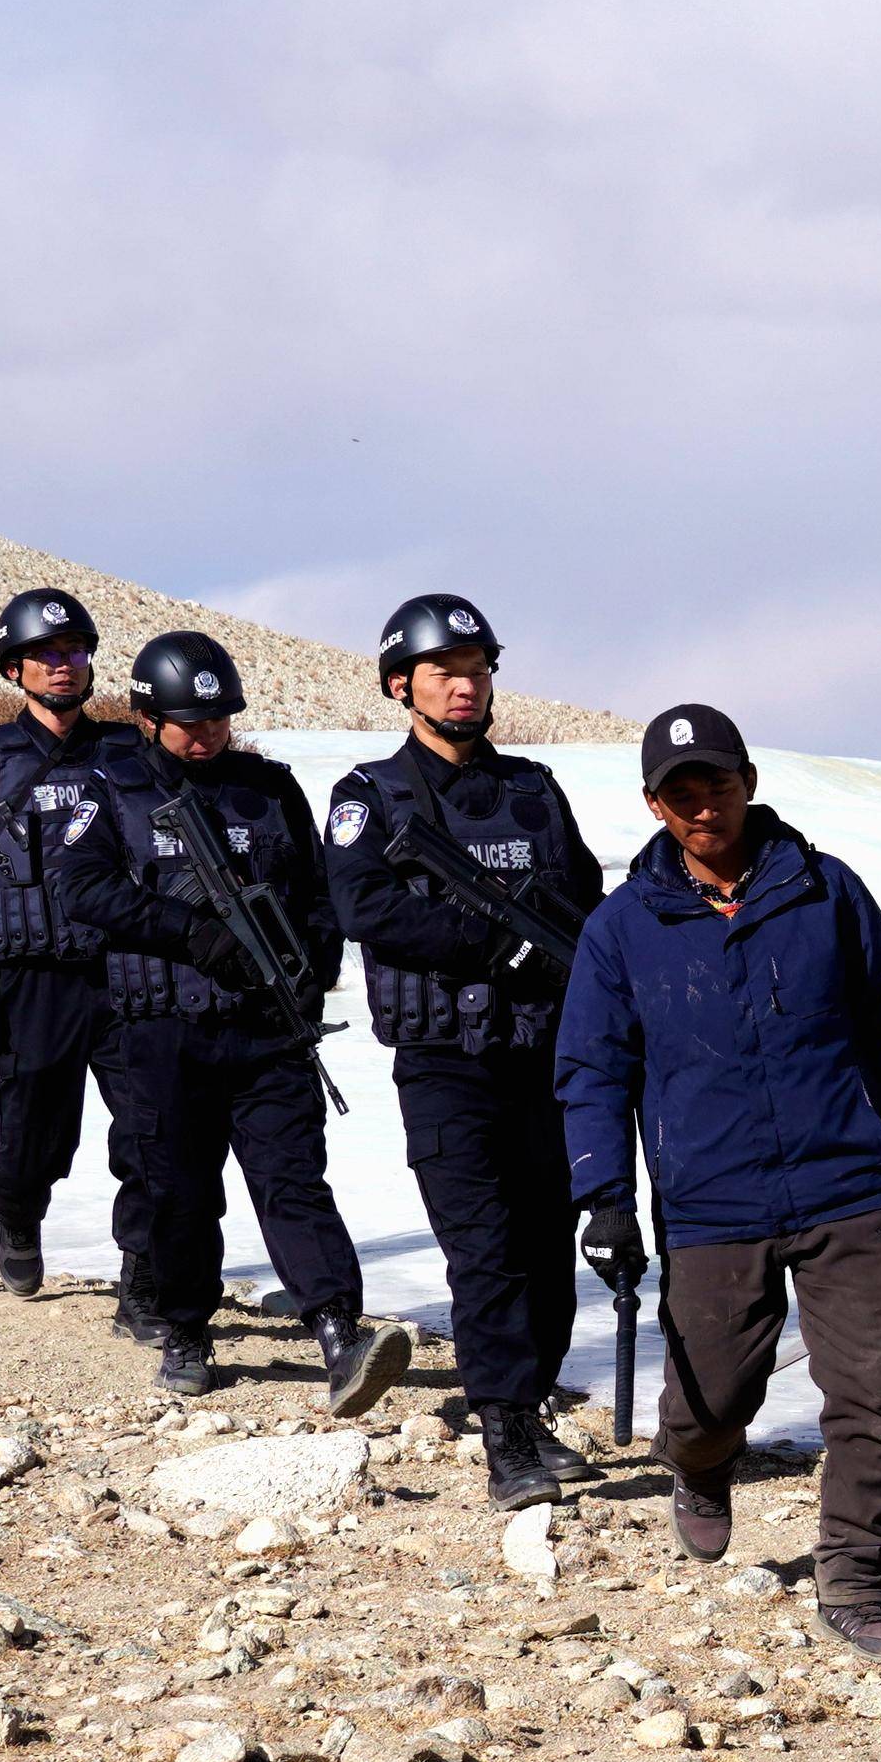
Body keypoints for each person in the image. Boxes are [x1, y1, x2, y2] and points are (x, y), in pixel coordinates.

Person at [560, 705, 881, 1667]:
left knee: (873, 1390)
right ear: (653, 804)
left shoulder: (827, 891)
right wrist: (604, 1195)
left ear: (748, 781)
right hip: (712, 1198)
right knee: (712, 1397)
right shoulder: (620, 930)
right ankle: (696, 1465)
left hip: (850, 1184)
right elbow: (594, 1069)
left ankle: (854, 1575)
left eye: (716, 785)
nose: (702, 807)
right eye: (679, 793)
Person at [57, 633, 410, 1410]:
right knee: (179, 1191)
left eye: (218, 718)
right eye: (189, 720)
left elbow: (319, 897)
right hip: (159, 1029)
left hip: (267, 1030)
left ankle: (338, 1332)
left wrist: (313, 975)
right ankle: (186, 1331)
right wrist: (189, 932)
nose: (207, 733)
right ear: (146, 715)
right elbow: (79, 888)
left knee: (293, 1181)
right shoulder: (109, 788)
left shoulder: (269, 788)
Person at [323, 594, 606, 1507]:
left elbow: (579, 894)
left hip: (544, 1051)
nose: (465, 686)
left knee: (547, 1241)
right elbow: (367, 909)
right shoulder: (370, 796)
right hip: (447, 1055)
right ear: (402, 684)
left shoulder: (531, 788)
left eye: (478, 670)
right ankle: (505, 1430)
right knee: (482, 1247)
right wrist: (489, 944)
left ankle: (531, 1401)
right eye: (446, 672)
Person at [0, 587, 163, 1323]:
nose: (64, 667)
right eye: (46, 656)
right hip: (30, 978)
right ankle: (18, 1213)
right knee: (37, 1130)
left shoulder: (128, 751)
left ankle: (144, 1274)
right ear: (15, 670)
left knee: (150, 1126)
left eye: (75, 653)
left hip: (125, 973)